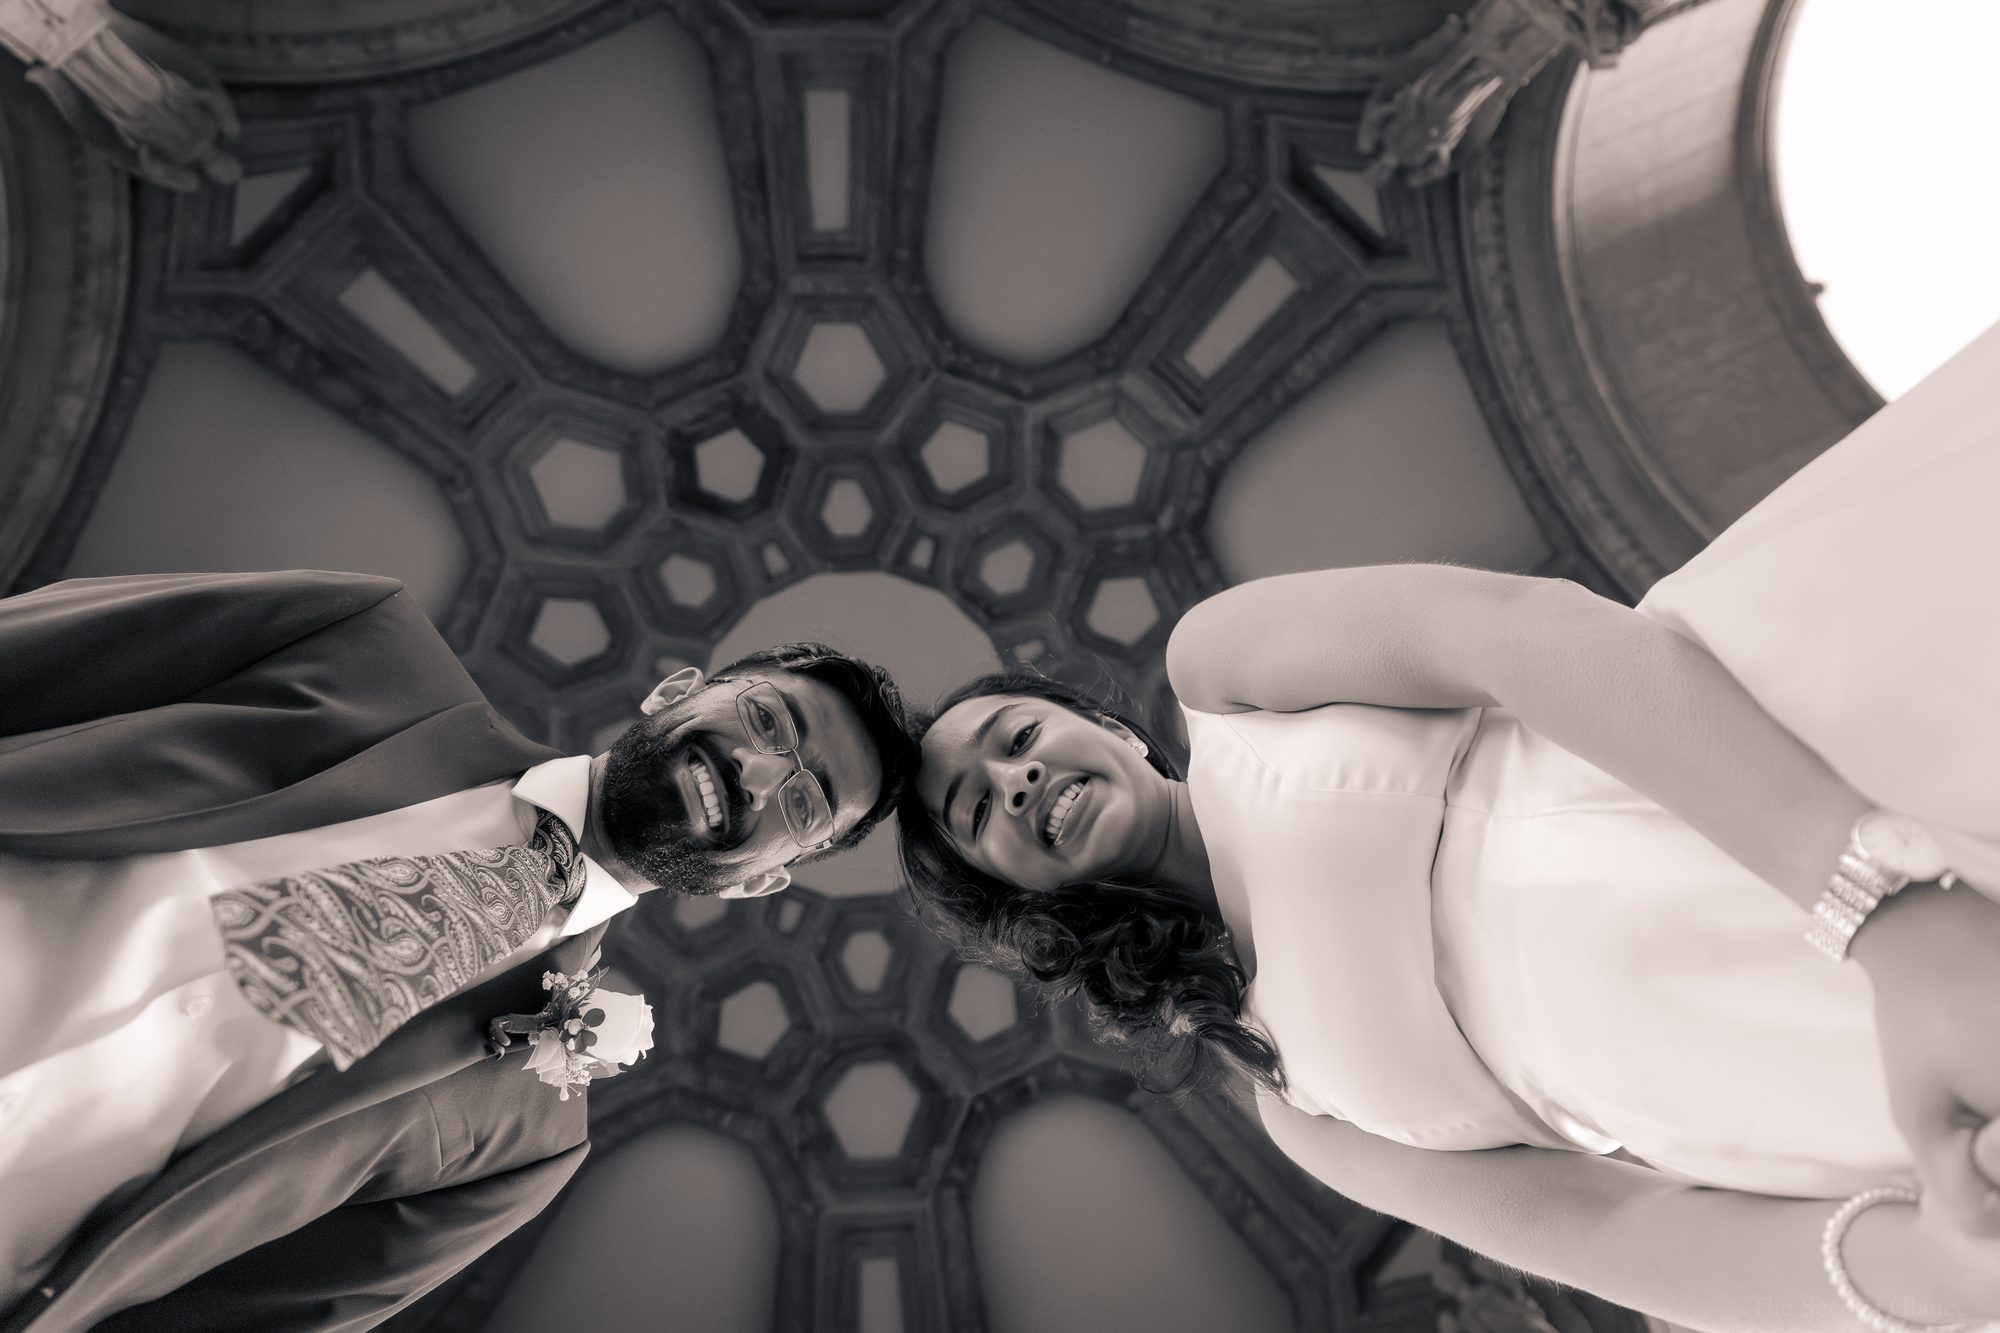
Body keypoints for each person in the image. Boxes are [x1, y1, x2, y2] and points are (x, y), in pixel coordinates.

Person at [899, 319, 2000, 1333]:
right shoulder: (1292, 1108)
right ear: (1015, 902)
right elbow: (1598, 1231)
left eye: (1012, 733)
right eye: (971, 809)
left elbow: (1519, 632)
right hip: (1799, 1088)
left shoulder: (1221, 676)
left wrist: (1878, 908)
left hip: (1807, 804)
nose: (1012, 777)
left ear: (1108, 728)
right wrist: (1928, 1271)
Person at [0, 569, 917, 1332]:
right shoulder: (363, 643)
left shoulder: (522, 1147)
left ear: (762, 882)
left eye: (802, 804)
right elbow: (41, 655)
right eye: (768, 722)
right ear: (677, 689)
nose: (756, 777)